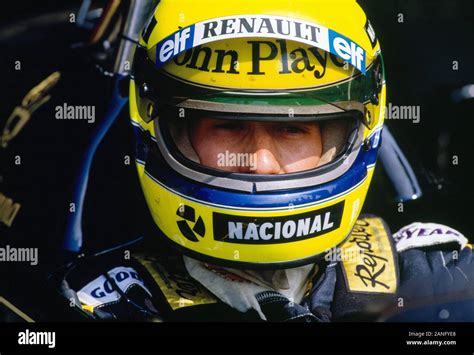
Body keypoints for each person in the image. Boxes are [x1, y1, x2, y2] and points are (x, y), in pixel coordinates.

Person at [2, 0, 473, 322]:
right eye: (226, 126)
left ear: (356, 129)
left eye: (293, 128)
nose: (261, 162)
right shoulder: (89, 307)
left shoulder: (441, 279)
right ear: (159, 125)